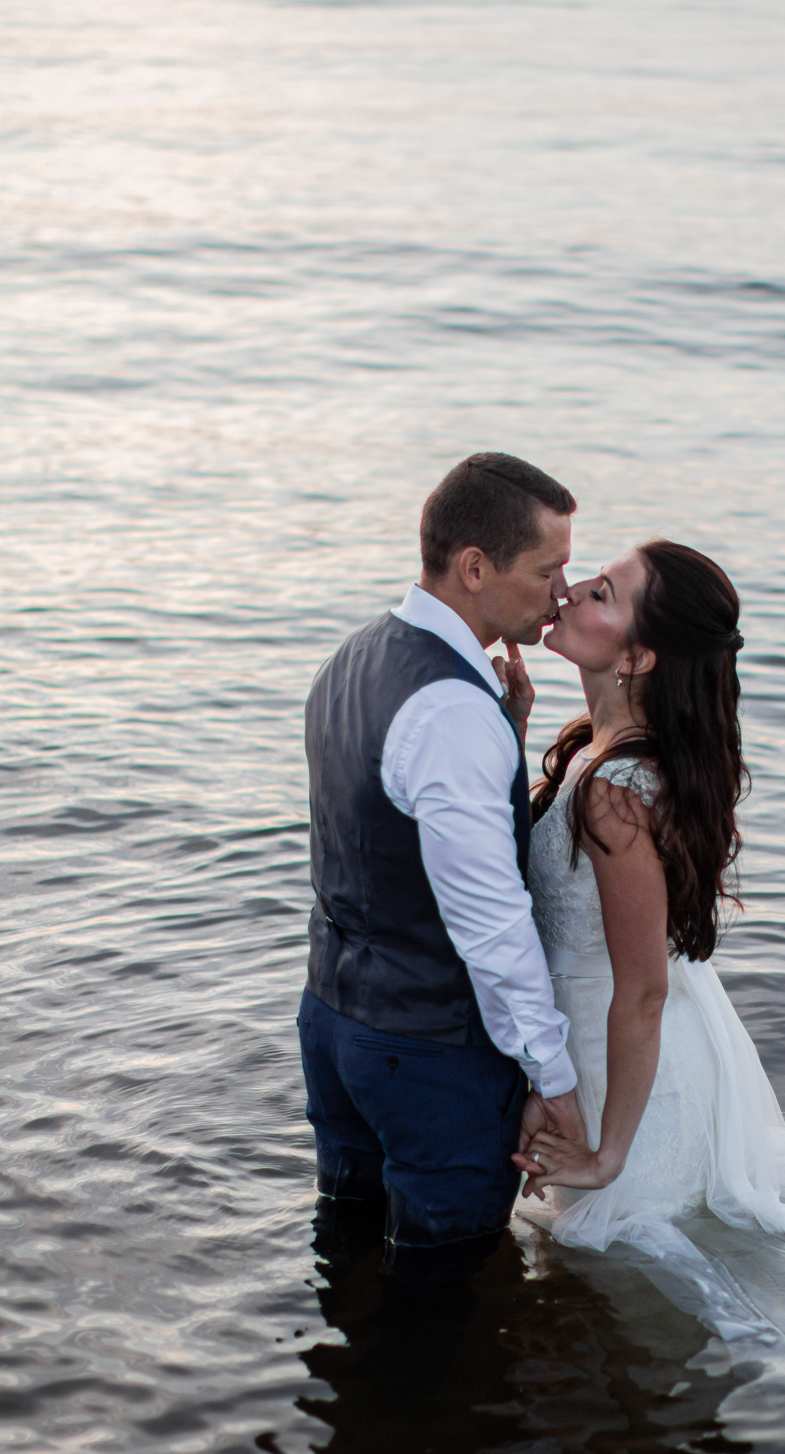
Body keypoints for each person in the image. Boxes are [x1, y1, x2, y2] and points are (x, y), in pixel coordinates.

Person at [510, 540, 785, 1285]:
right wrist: (513, 724)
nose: (567, 591)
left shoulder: (617, 789)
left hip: (626, 1078)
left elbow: (644, 988)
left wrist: (608, 1154)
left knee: (628, 1292)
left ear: (638, 658)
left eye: (600, 593)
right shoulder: (597, 753)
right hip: (599, 1052)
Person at [297, 452, 588, 1290]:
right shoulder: (455, 711)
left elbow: (380, 834)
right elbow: (490, 919)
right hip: (427, 1059)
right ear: (474, 567)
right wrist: (554, 1078)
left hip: (333, 1023)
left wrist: (509, 734)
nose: (561, 591)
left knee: (347, 1253)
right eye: (548, 568)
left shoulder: (353, 657)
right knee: (445, 1293)